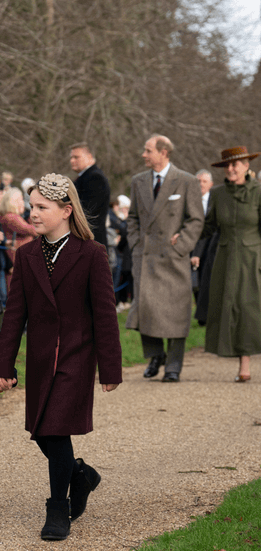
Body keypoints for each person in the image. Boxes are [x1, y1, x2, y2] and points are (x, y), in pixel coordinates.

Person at [0, 173, 121, 541]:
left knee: (54, 429)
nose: (32, 213)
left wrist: (109, 367)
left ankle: (57, 509)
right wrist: (3, 366)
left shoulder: (91, 254)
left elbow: (105, 315)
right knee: (42, 432)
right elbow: (14, 315)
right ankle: (80, 475)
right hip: (41, 359)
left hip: (77, 358)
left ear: (66, 211)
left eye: (41, 207)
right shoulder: (28, 255)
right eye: (31, 206)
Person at [126, 134, 204, 382]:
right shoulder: (138, 181)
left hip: (173, 258)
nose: (144, 155)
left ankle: (174, 366)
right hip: (146, 257)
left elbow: (196, 219)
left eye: (148, 150)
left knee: (176, 312)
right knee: (145, 309)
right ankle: (155, 355)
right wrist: (137, 243)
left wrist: (182, 246)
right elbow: (133, 219)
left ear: (163, 153)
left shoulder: (186, 181)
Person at [192, 147, 261, 383]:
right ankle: (239, 357)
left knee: (249, 309)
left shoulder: (259, 192)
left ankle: (246, 362)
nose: (231, 169)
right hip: (224, 258)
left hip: (253, 259)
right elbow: (209, 226)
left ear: (246, 166)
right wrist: (185, 235)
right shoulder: (218, 194)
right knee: (229, 308)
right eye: (228, 165)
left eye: (236, 164)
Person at [69, 143, 110, 246]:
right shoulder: (84, 177)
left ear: (89, 157)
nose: (72, 161)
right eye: (71, 157)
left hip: (90, 240)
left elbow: (87, 212)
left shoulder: (95, 178)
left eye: (76, 157)